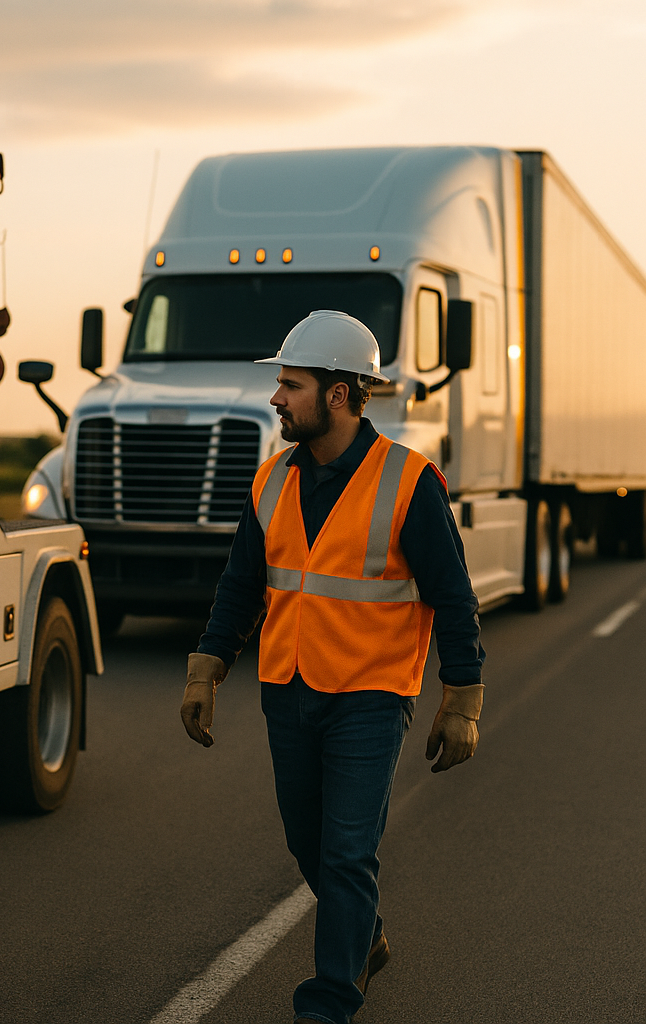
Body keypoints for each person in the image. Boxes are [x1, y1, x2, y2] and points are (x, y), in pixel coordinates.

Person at [180, 310, 485, 1024]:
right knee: (309, 844)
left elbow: (454, 597)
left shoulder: (410, 482)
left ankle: (329, 1004)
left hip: (371, 697)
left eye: (291, 385)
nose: (277, 398)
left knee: (347, 851)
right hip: (287, 689)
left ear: (340, 396)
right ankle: (364, 937)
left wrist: (462, 700)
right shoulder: (270, 481)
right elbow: (240, 586)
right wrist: (208, 667)